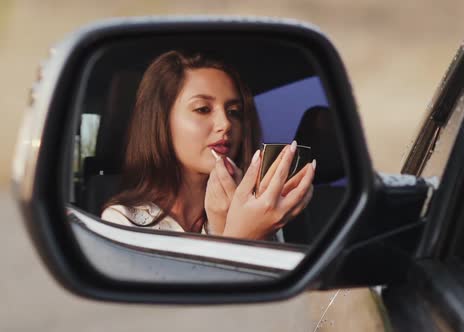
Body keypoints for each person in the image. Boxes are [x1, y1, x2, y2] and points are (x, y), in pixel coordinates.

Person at [101, 51, 315, 241]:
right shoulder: (121, 222)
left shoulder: (260, 211)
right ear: (161, 122)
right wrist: (243, 236)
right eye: (203, 109)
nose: (225, 124)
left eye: (234, 112)